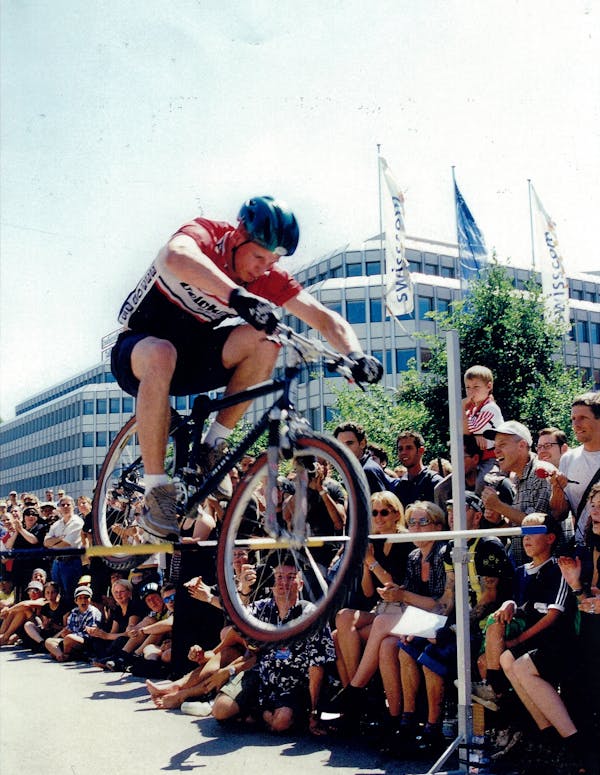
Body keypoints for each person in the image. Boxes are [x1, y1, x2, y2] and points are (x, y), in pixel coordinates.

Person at [110, 196, 382, 540]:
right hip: (137, 351)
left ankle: (212, 448)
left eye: (272, 261)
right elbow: (175, 255)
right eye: (258, 257)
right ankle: (157, 492)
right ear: (238, 237)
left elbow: (324, 318)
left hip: (192, 359)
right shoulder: (206, 235)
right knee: (163, 352)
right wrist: (236, 295)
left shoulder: (266, 277)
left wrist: (356, 355)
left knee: (267, 339)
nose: (262, 268)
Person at [211, 556, 336, 734]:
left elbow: (316, 668)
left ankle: (256, 716)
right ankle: (261, 715)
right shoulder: (262, 608)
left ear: (300, 584)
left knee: (281, 722)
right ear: (271, 582)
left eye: (291, 577)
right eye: (278, 577)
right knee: (220, 710)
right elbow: (238, 619)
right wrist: (244, 591)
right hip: (261, 678)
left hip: (293, 687)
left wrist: (315, 713)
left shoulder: (310, 616)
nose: (283, 582)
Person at [335, 491, 410, 686]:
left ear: (396, 514)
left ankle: (357, 691)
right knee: (342, 618)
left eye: (384, 512)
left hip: (402, 610)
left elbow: (393, 585)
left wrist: (371, 561)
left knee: (340, 638)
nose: (378, 518)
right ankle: (354, 693)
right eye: (373, 513)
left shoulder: (406, 541)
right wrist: (365, 565)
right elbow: (368, 592)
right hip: (381, 609)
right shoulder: (374, 542)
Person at [481, 420, 553, 567]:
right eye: (495, 447)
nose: (496, 451)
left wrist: (499, 506)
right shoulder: (519, 478)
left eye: (502, 445)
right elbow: (520, 527)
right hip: (530, 570)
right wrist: (499, 520)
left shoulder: (540, 473)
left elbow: (538, 527)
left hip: (546, 572)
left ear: (522, 445)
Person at [553, 392, 600, 548]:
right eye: (573, 419)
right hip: (583, 547)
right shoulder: (568, 458)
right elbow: (560, 514)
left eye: (583, 418)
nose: (576, 425)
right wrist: (557, 489)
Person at [462, 365, 504, 489]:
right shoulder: (473, 409)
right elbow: (461, 430)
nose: (471, 392)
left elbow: (469, 428)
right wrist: (476, 433)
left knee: (482, 483)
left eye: (476, 387)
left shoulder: (490, 407)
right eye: (468, 387)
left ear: (489, 386)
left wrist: (462, 408)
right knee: (442, 489)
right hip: (478, 459)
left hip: (493, 458)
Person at [45, 584, 102, 662]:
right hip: (71, 639)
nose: (83, 600)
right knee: (49, 641)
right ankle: (60, 655)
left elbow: (91, 633)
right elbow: (69, 628)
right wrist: (65, 633)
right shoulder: (74, 611)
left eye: (86, 597)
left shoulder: (93, 612)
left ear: (90, 599)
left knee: (69, 638)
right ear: (76, 601)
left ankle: (65, 654)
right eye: (80, 598)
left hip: (86, 641)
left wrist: (70, 635)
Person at [43, 495, 84, 602]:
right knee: (56, 595)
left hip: (71, 562)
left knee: (71, 595)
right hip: (57, 563)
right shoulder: (56, 524)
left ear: (73, 506)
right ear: (59, 507)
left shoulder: (78, 522)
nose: (65, 507)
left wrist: (54, 542)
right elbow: (46, 542)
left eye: (68, 504)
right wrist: (59, 539)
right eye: (63, 505)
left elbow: (66, 544)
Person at [333, 422, 391, 495]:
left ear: (362, 443)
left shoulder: (368, 470)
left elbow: (379, 504)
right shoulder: (355, 469)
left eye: (349, 443)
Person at [390, 431, 443, 509]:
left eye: (409, 448)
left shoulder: (435, 483)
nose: (403, 452)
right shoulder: (400, 486)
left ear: (421, 451)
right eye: (400, 449)